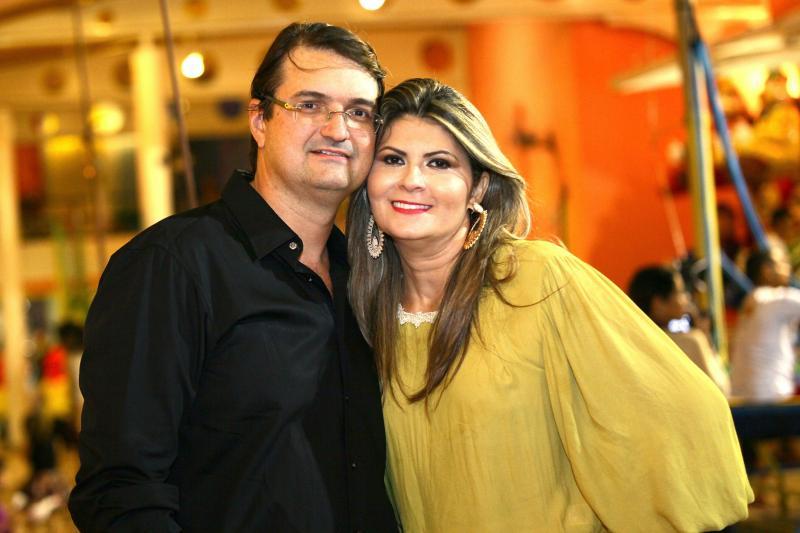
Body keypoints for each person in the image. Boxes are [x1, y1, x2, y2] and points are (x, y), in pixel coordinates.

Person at [347, 78, 752, 532]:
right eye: (393, 159)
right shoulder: (364, 307)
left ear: (478, 187)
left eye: (439, 163)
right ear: (367, 179)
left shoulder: (536, 279)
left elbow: (685, 415)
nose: (412, 180)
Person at [69, 22, 397, 532]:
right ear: (259, 120)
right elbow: (121, 492)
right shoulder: (172, 265)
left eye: (359, 112)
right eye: (310, 104)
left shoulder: (368, 277)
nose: (338, 129)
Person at [628, 264, 731, 395]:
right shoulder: (691, 342)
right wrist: (706, 339)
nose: (686, 298)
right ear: (658, 303)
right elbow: (721, 390)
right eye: (680, 292)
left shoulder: (628, 340)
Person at [730, 247, 800, 401]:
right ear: (766, 270)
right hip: (772, 397)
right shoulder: (777, 299)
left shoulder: (751, 299)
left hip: (741, 398)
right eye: (782, 262)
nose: (788, 267)